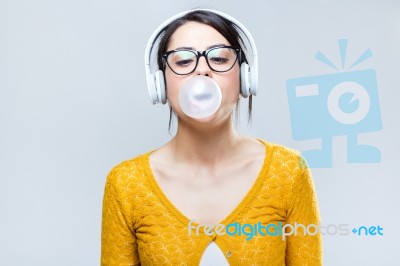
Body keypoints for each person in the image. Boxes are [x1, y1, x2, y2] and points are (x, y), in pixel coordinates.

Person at [101, 8, 322, 265]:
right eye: (183, 61)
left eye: (218, 59)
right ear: (160, 84)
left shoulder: (290, 172)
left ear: (245, 78)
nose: (202, 71)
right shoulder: (125, 185)